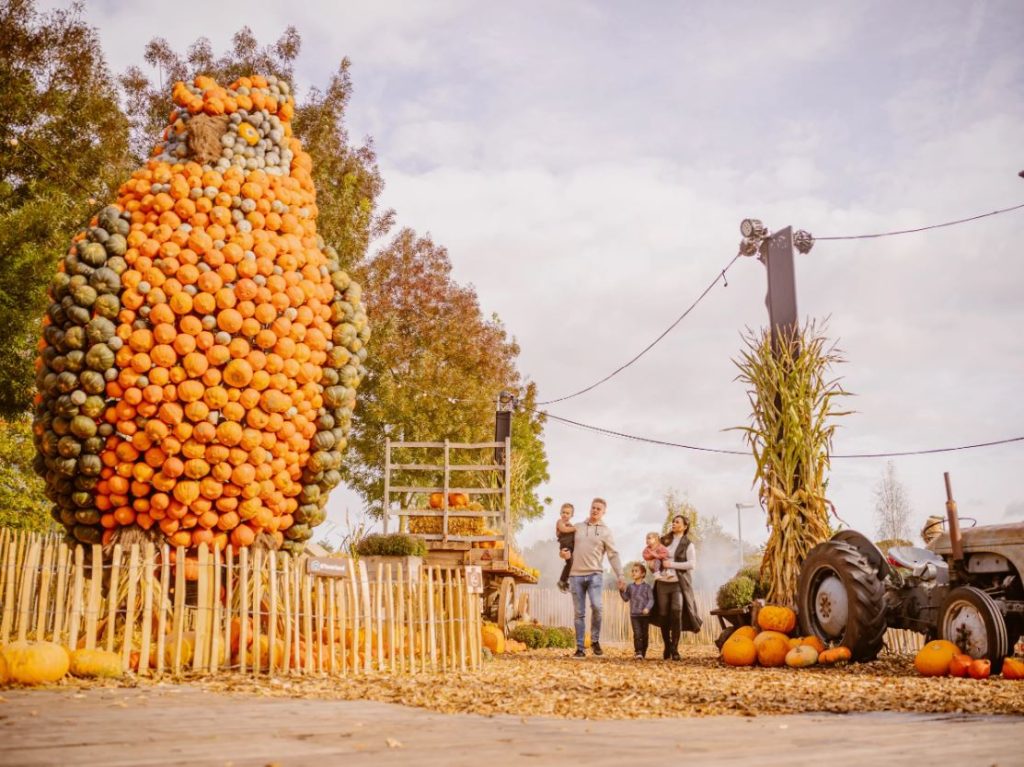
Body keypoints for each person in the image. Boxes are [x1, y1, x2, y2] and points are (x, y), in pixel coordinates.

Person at [560, 497, 625, 658]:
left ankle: (595, 640)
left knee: (597, 607)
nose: (595, 510)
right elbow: (566, 545)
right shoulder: (578, 527)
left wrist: (620, 575)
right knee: (579, 613)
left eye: (598, 509)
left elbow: (613, 555)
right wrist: (563, 553)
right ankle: (580, 648)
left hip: (595, 574)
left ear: (603, 512)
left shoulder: (605, 531)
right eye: (593, 507)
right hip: (575, 575)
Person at [651, 514, 702, 660]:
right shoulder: (663, 540)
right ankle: (667, 645)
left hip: (678, 583)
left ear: (685, 527)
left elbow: (692, 564)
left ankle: (675, 648)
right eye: (673, 521)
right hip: (662, 583)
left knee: (677, 612)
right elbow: (653, 556)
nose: (674, 523)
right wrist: (653, 565)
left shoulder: (688, 544)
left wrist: (671, 564)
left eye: (677, 522)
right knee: (663, 614)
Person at [619, 562, 654, 659]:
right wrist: (621, 590)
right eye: (632, 571)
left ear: (643, 574)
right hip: (634, 615)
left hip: (645, 615)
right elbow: (626, 598)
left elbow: (651, 599)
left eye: (636, 571)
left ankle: (643, 651)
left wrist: (647, 608)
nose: (633, 573)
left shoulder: (647, 587)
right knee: (637, 633)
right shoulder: (630, 587)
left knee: (645, 635)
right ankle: (638, 652)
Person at [555, 502, 576, 592]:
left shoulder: (571, 525)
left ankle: (565, 581)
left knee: (572, 564)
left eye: (567, 513)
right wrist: (575, 528)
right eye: (563, 512)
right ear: (560, 513)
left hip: (572, 547)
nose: (565, 514)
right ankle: (562, 581)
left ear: (572, 515)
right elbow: (563, 529)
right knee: (570, 563)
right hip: (565, 546)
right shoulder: (560, 522)